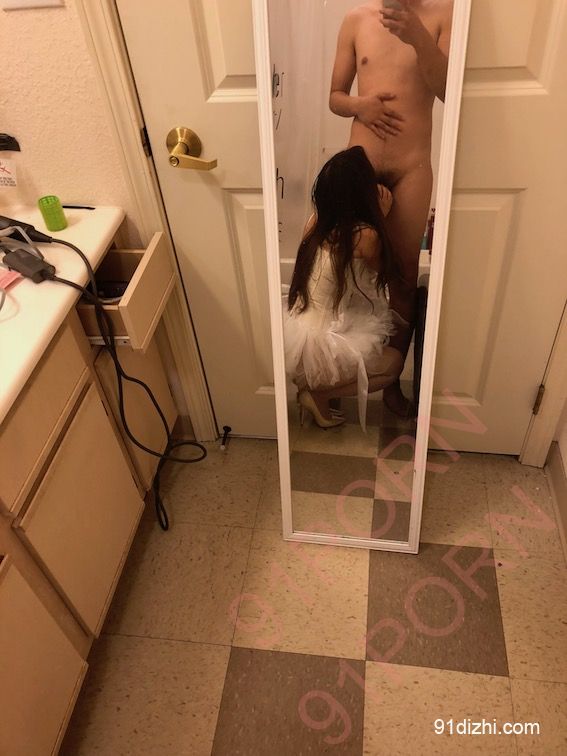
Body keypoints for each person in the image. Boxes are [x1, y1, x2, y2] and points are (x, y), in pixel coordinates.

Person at [329, 0, 453, 415]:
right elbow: (335, 97)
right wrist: (359, 106)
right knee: (346, 269)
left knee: (401, 277)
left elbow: (449, 92)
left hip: (411, 167)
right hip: (359, 165)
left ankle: (391, 382)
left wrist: (418, 37)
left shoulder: (444, 13)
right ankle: (337, 374)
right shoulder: (356, 19)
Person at [284, 147, 404, 430]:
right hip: (319, 349)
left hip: (299, 336)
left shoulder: (315, 222)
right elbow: (385, 272)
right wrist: (381, 218)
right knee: (393, 364)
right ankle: (318, 395)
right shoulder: (365, 236)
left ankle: (317, 389)